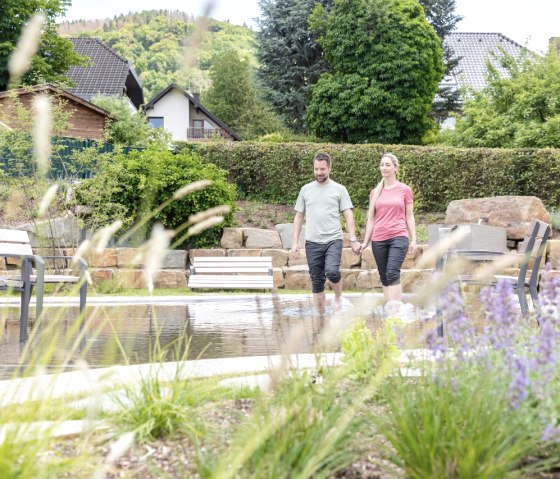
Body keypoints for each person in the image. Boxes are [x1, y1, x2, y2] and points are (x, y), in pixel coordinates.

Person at [291, 152, 360, 314]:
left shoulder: (339, 189)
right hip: (312, 242)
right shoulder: (305, 189)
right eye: (316, 169)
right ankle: (320, 317)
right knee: (316, 280)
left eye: (322, 169)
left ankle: (338, 298)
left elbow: (348, 214)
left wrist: (353, 238)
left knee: (332, 271)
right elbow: (299, 216)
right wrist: (295, 242)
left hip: (333, 240)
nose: (319, 172)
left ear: (330, 168)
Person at [359, 153, 417, 314]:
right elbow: (371, 219)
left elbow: (409, 215)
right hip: (379, 239)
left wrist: (414, 239)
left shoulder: (405, 190)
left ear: (395, 168)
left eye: (387, 165)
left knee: (392, 272)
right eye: (382, 165)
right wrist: (365, 241)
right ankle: (390, 311)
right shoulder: (375, 192)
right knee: (384, 276)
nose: (384, 167)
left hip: (399, 236)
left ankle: (396, 310)